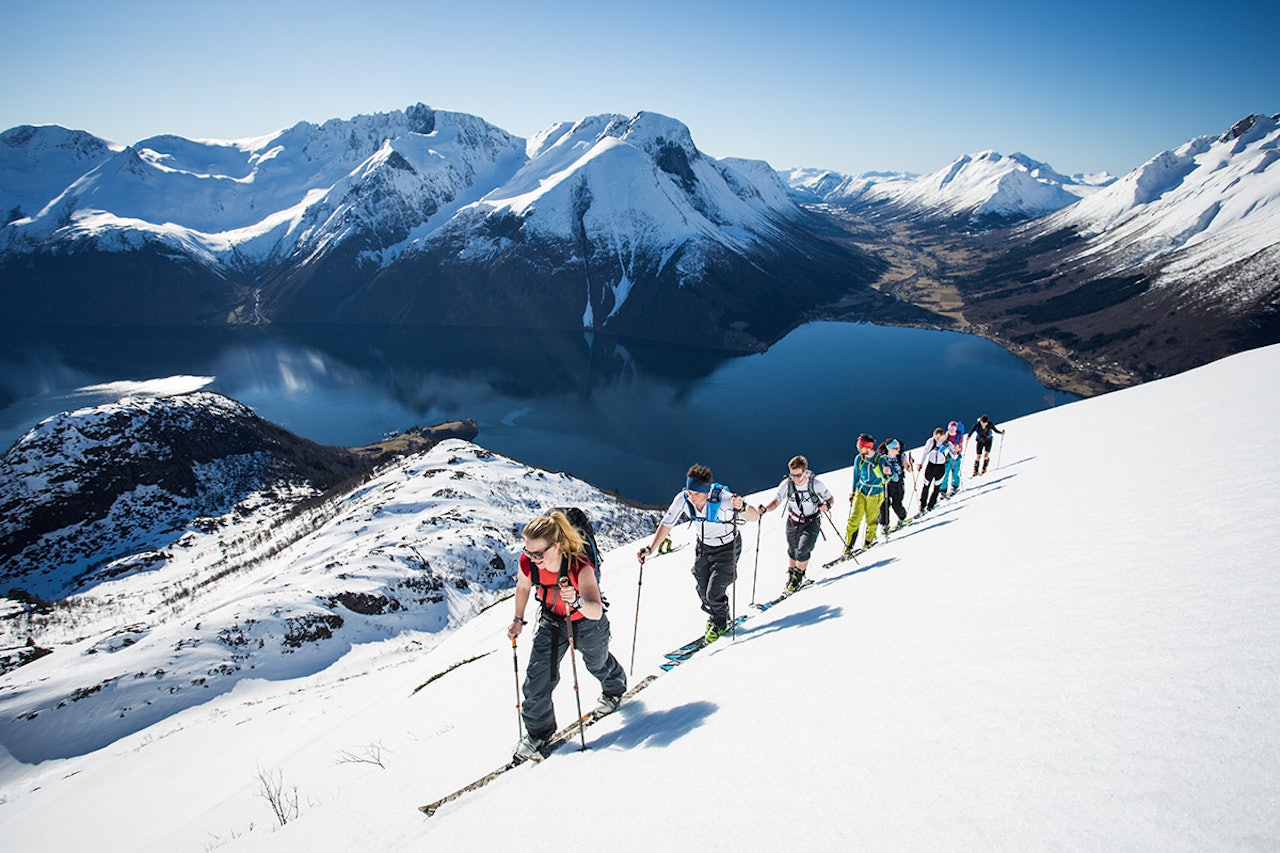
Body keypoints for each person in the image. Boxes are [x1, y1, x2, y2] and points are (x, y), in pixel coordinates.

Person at [509, 511, 627, 760]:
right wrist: (518, 620)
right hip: (552, 620)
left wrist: (576, 601)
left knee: (597, 661)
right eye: (528, 551)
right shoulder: (529, 564)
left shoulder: (579, 566)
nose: (532, 558)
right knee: (538, 676)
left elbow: (595, 610)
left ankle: (614, 689)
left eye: (538, 553)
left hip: (586, 622)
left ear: (557, 545)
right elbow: (522, 587)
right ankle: (538, 733)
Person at [637, 464, 759, 643]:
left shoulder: (725, 500)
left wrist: (742, 506)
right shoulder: (683, 499)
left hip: (727, 547)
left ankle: (720, 622)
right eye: (689, 492)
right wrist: (651, 549)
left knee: (714, 591)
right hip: (704, 547)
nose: (691, 497)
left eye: (696, 493)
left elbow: (754, 516)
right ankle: (716, 615)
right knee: (702, 587)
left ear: (707, 491)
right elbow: (667, 523)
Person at [757, 455, 835, 592]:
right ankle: (792, 575)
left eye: (798, 475)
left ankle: (797, 579)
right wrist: (765, 509)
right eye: (792, 475)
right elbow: (776, 501)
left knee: (803, 549)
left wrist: (827, 505)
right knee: (793, 550)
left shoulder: (815, 484)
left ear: (805, 472)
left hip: (811, 521)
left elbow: (830, 498)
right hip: (793, 521)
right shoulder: (787, 484)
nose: (795, 478)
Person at [844, 435, 889, 554]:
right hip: (861, 491)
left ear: (867, 447)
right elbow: (856, 475)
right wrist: (853, 492)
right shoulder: (859, 459)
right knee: (854, 519)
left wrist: (887, 473)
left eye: (860, 446)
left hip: (875, 493)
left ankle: (869, 542)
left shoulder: (880, 459)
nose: (858, 449)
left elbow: (888, 478)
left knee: (871, 520)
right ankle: (848, 546)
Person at [877, 438, 915, 533]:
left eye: (898, 448)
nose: (898, 450)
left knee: (896, 503)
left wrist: (910, 463)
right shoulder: (882, 458)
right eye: (895, 448)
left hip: (898, 483)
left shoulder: (901, 456)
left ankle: (902, 517)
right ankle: (884, 524)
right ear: (889, 449)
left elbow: (908, 469)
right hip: (886, 483)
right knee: (884, 503)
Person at [916, 427, 950, 515]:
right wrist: (921, 463)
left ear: (942, 436)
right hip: (930, 466)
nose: (937, 439)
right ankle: (922, 505)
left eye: (938, 437)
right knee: (926, 485)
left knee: (936, 487)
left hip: (940, 466)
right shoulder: (931, 441)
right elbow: (925, 451)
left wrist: (955, 451)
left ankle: (931, 504)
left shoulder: (946, 443)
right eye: (935, 437)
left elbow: (954, 455)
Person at [942, 420, 966, 497]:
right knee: (946, 472)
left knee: (955, 472)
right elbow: (942, 448)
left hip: (956, 456)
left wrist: (958, 449)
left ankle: (954, 486)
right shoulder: (946, 437)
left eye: (953, 429)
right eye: (950, 429)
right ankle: (943, 489)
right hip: (949, 456)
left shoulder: (959, 437)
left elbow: (961, 447)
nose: (951, 431)